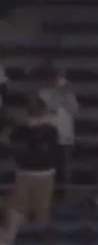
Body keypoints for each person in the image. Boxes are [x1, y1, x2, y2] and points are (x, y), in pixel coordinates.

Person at [9, 95, 60, 225]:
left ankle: (40, 233)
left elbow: (44, 149)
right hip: (24, 173)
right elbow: (17, 148)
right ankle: (18, 232)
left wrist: (37, 128)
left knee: (41, 210)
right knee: (19, 210)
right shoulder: (19, 130)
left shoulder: (51, 131)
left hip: (44, 174)